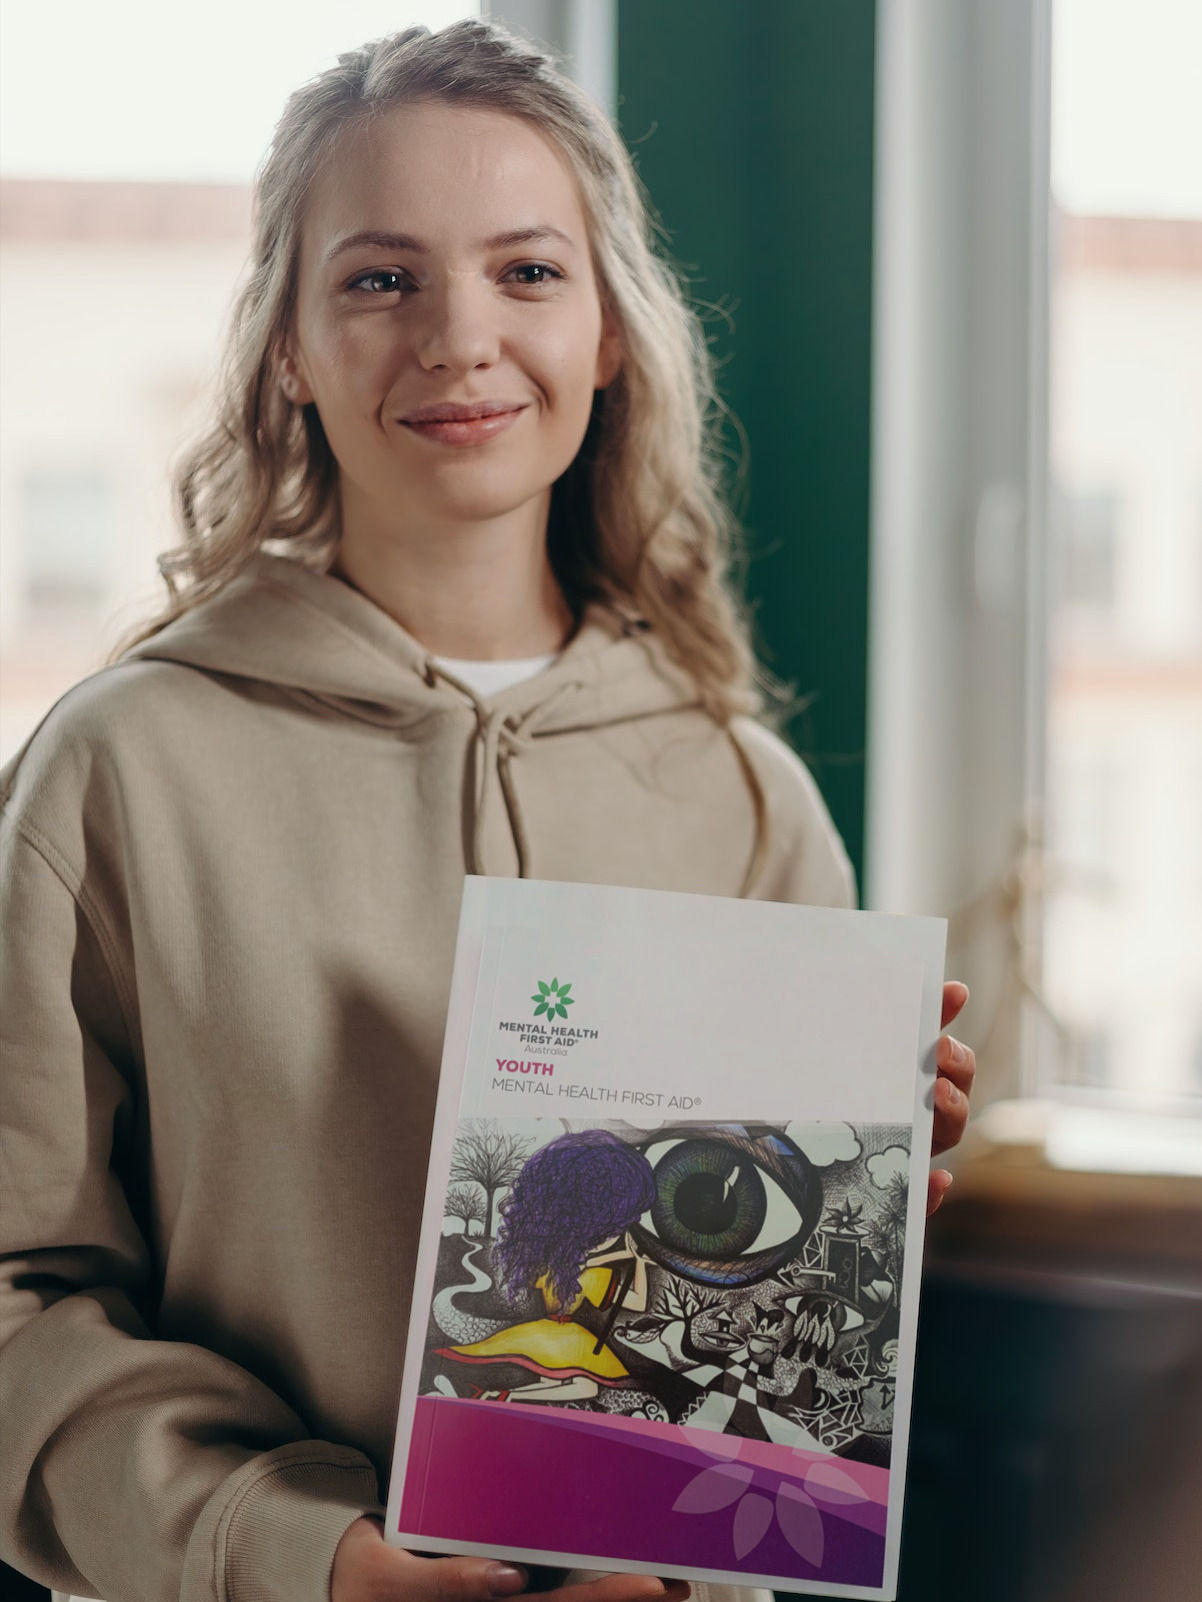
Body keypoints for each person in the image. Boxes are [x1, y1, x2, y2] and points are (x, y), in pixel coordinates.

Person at [0, 19, 976, 1602]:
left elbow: (757, 1346)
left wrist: (854, 1190)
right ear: (286, 350)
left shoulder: (743, 794)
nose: (458, 335)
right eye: (379, 279)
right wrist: (293, 1551)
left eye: (526, 271)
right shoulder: (117, 770)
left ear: (606, 333)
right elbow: (11, 1292)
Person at [437, 1130, 657, 1404]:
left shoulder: (547, 1269)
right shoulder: (589, 1278)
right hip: (566, 1338)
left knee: (569, 1384)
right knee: (585, 1387)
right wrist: (639, 1264)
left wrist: (617, 1257)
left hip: (542, 1333)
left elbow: (580, 1264)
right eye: (614, 1228)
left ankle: (502, 1396)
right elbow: (637, 1302)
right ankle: (507, 1397)